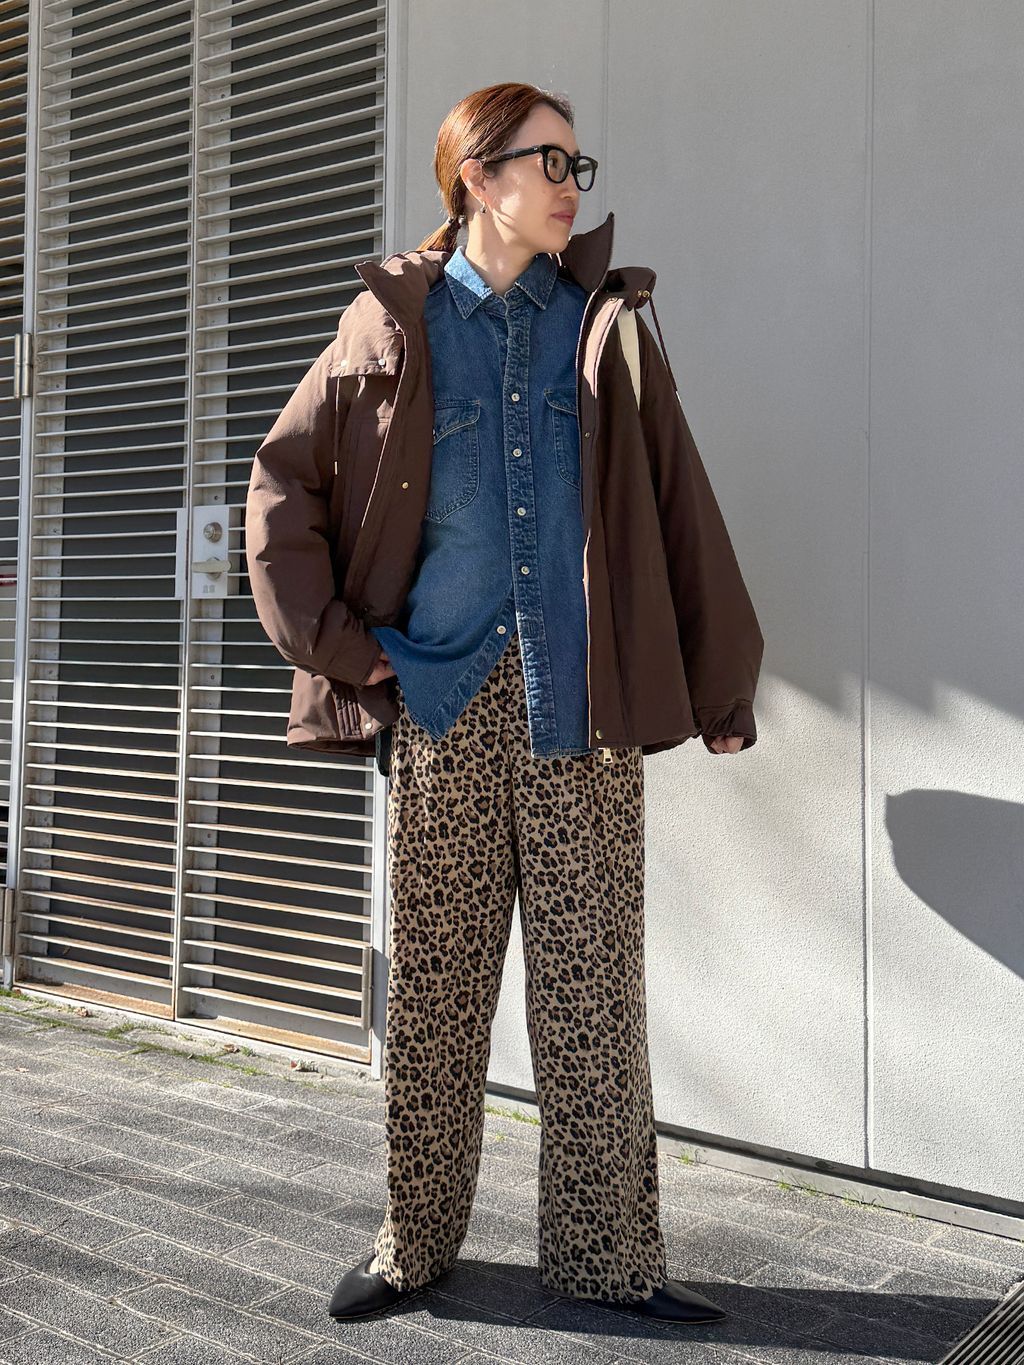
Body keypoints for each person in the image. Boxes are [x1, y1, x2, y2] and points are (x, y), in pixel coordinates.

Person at [247, 81, 764, 1329]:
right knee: (434, 995)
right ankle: (413, 1246)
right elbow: (282, 490)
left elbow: (678, 502)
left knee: (594, 998)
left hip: (583, 710)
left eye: (580, 165)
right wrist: (351, 653)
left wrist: (719, 679)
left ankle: (606, 1259)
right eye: (550, 161)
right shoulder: (389, 322)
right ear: (477, 177)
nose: (572, 185)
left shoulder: (606, 324)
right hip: (442, 703)